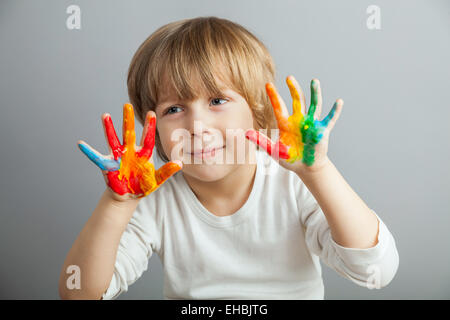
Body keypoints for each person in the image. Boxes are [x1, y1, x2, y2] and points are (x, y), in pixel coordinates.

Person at [59, 16, 399, 300]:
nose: (197, 125)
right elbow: (78, 293)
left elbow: (375, 272)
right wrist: (116, 203)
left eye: (217, 101)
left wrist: (319, 171)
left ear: (257, 109)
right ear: (154, 127)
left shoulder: (294, 183)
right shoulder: (152, 200)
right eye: (174, 109)